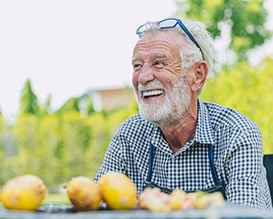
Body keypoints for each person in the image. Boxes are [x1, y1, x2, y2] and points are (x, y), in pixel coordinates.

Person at [94, 17, 272, 211]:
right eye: (137, 65)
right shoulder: (129, 134)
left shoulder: (237, 133)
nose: (143, 77)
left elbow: (245, 217)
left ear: (198, 75)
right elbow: (96, 206)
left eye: (159, 63)